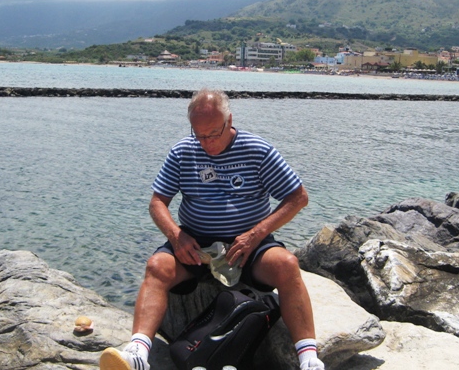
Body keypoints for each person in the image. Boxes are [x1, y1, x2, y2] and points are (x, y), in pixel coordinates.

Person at [100, 88, 324, 370]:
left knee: (287, 265)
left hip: (248, 244)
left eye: (213, 134)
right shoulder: (183, 151)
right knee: (156, 267)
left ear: (229, 121)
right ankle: (137, 354)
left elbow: (298, 197)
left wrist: (256, 235)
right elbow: (157, 202)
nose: (207, 143)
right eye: (199, 135)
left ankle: (309, 360)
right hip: (195, 243)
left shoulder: (257, 150)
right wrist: (176, 236)